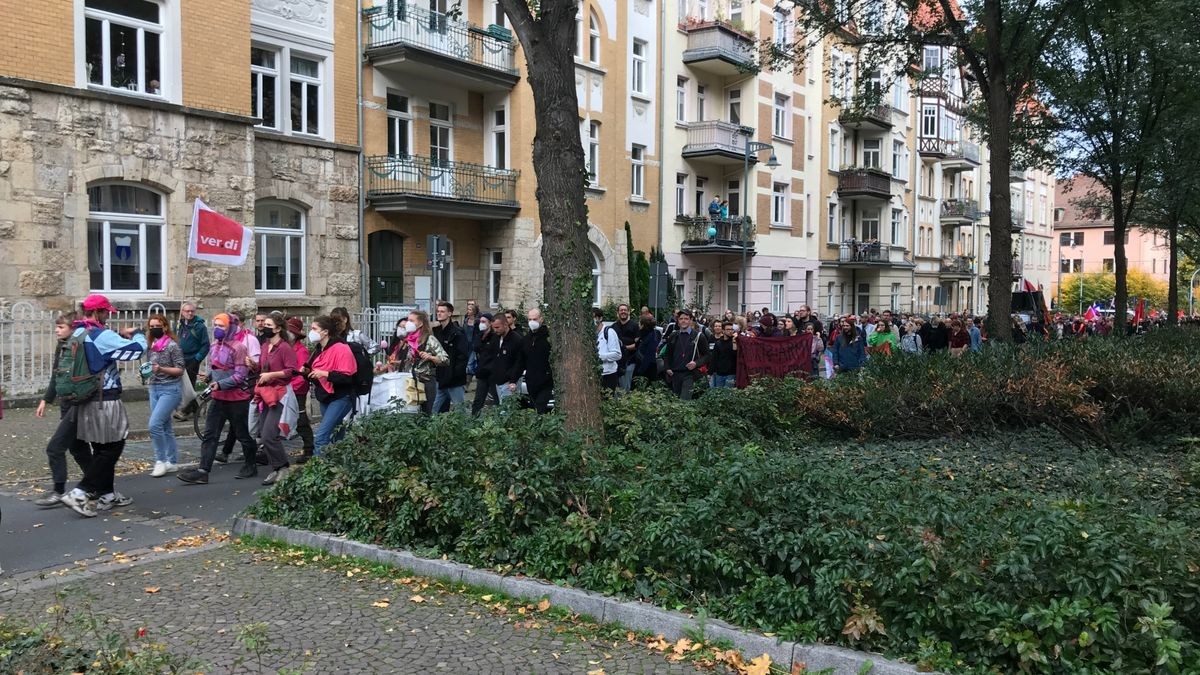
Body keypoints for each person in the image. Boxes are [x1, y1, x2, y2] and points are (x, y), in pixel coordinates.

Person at [59, 295, 146, 517]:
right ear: (97, 313)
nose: (108, 316)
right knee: (113, 447)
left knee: (100, 446)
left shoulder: (77, 332)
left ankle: (107, 493)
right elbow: (136, 350)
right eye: (106, 312)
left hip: (84, 398)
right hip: (105, 399)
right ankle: (80, 492)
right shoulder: (102, 334)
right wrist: (138, 334)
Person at [177, 313, 258, 486]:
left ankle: (251, 464)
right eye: (215, 325)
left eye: (221, 326)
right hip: (218, 398)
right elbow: (216, 367)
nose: (217, 329)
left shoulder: (239, 348)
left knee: (243, 435)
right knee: (210, 435)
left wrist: (220, 384)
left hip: (237, 399)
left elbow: (240, 375)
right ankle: (203, 471)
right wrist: (209, 376)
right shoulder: (215, 346)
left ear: (231, 327)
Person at [32, 312, 92, 508]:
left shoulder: (80, 347)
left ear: (72, 329)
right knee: (78, 448)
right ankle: (99, 485)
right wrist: (46, 399)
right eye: (56, 327)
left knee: (55, 447)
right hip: (66, 403)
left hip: (77, 403)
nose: (57, 330)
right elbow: (56, 376)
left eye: (61, 327)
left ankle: (59, 491)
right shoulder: (62, 346)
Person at [251, 316, 296, 485]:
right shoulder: (264, 346)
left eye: (269, 325)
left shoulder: (284, 348)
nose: (264, 327)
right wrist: (253, 367)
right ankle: (277, 469)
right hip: (266, 394)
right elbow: (263, 368)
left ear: (278, 329)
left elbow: (291, 371)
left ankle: (283, 468)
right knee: (264, 433)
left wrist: (272, 375)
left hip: (280, 394)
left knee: (270, 434)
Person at [144, 314, 185, 477]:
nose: (154, 329)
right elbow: (151, 366)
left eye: (157, 326)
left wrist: (161, 369)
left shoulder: (172, 346)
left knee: (154, 425)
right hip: (154, 388)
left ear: (165, 327)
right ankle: (172, 461)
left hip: (170, 389)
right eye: (151, 326)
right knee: (165, 426)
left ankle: (160, 460)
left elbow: (180, 369)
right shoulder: (151, 345)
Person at [388, 310, 446, 414]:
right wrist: (400, 363)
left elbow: (445, 359)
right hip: (412, 381)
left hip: (426, 381)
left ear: (420, 323)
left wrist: (431, 357)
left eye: (411, 320)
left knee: (427, 413)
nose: (408, 323)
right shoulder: (409, 340)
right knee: (412, 413)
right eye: (408, 320)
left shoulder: (429, 339)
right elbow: (412, 360)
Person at [506, 307, 553, 413]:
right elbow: (520, 361)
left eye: (535, 319)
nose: (532, 322)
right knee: (533, 408)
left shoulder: (548, 338)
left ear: (541, 319)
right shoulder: (526, 339)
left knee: (541, 409)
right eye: (530, 319)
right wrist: (513, 380)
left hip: (546, 381)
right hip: (531, 381)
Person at [285, 316, 316, 464]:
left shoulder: (301, 351)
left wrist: (290, 386)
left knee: (300, 420)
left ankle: (309, 449)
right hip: (286, 388)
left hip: (297, 390)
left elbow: (302, 374)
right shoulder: (286, 348)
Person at [173, 302, 209, 421]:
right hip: (180, 359)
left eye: (192, 311)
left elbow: (205, 346)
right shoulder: (180, 325)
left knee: (189, 385)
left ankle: (184, 411)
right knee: (183, 385)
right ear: (182, 312)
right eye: (187, 311)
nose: (190, 313)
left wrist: (196, 359)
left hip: (192, 359)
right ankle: (196, 409)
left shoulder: (199, 327)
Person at [663, 309, 710, 400]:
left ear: (690, 320)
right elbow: (667, 354)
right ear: (678, 321)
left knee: (684, 401)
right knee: (675, 402)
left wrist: (696, 363)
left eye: (686, 318)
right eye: (681, 319)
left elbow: (707, 355)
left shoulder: (698, 336)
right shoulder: (673, 336)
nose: (683, 321)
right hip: (675, 374)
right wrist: (667, 367)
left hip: (690, 374)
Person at [432, 301, 468, 412]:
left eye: (442, 311)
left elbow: (462, 356)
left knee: (459, 410)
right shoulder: (437, 332)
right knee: (435, 409)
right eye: (438, 311)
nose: (439, 313)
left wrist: (455, 374)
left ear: (450, 313)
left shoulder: (457, 333)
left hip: (454, 379)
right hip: (441, 377)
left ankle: (464, 429)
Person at [489, 314, 522, 405]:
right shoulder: (495, 338)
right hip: (498, 379)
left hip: (509, 381)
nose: (495, 330)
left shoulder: (516, 340)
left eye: (497, 327)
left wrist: (513, 380)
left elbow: (519, 362)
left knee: (507, 410)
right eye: (493, 328)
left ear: (505, 325)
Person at [471, 313, 497, 414]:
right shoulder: (479, 336)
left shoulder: (494, 337)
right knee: (478, 399)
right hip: (482, 372)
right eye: (480, 322)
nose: (481, 324)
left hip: (492, 373)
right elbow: (476, 348)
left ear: (490, 323)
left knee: (496, 397)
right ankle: (474, 417)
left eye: (483, 322)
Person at [612, 304, 640, 391]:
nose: (623, 312)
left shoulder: (635, 326)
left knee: (626, 387)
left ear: (628, 312)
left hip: (630, 361)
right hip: (616, 362)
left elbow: (638, 344)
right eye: (621, 310)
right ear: (618, 313)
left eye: (625, 310)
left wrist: (625, 347)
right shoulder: (613, 327)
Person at [594, 307, 623, 391]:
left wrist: (599, 357)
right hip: (595, 374)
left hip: (608, 374)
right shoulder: (590, 334)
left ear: (600, 318)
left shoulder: (609, 332)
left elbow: (617, 355)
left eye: (594, 317)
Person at [633, 314, 660, 383]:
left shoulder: (651, 337)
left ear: (643, 325)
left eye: (639, 322)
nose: (638, 324)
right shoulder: (643, 335)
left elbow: (648, 355)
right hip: (641, 366)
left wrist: (640, 371)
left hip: (647, 369)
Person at [709, 321, 737, 389]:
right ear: (723, 331)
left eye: (732, 329)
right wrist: (710, 372)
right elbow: (714, 358)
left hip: (731, 373)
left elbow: (735, 354)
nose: (730, 331)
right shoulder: (718, 343)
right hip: (719, 374)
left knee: (728, 395)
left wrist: (734, 342)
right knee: (718, 394)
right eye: (728, 329)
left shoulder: (734, 341)